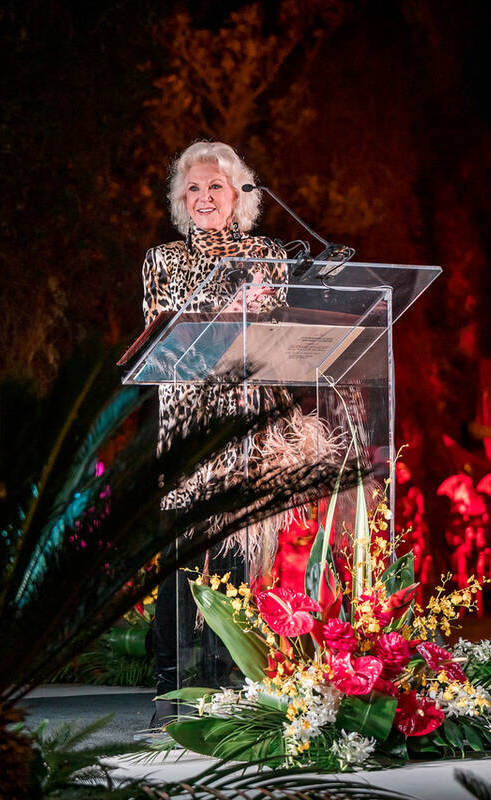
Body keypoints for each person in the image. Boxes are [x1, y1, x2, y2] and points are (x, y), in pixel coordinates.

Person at [142, 141, 289, 722]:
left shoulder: (268, 255)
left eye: (215, 187)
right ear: (182, 201)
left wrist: (244, 314)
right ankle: (174, 689)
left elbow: (273, 334)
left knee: (236, 555)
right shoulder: (162, 260)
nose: (203, 198)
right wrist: (234, 310)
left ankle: (228, 684)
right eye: (193, 189)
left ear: (238, 197)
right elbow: (175, 334)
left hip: (243, 421)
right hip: (187, 424)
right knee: (183, 557)